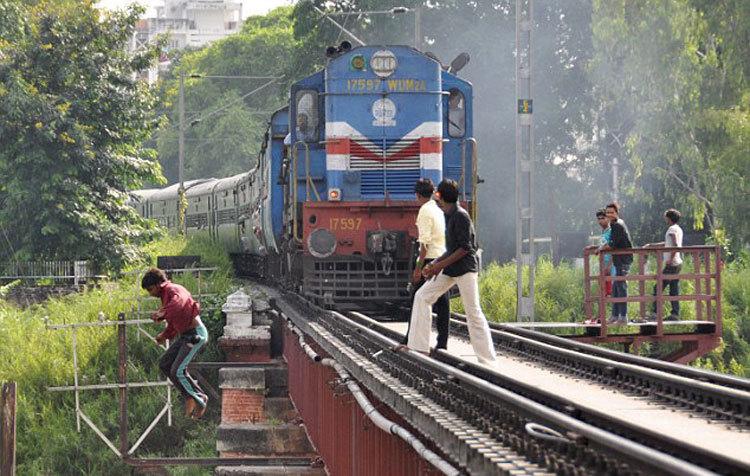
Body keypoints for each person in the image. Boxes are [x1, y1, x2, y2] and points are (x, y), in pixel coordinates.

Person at [404, 179, 496, 365]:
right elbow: (451, 248)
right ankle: (419, 346)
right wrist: (436, 263)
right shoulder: (448, 215)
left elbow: (464, 249)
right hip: (450, 269)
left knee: (473, 312)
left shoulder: (461, 216)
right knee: (422, 296)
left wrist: (437, 266)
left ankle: (487, 360)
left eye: (438, 195)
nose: (436, 198)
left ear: (444, 198)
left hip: (465, 270)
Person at [142, 268, 209, 419]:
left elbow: (179, 303)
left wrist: (163, 313)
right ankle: (190, 396)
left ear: (159, 284)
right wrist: (164, 336)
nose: (150, 294)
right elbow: (173, 324)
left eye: (151, 289)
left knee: (177, 370)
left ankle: (200, 397)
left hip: (196, 334)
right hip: (185, 335)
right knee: (165, 364)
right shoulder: (165, 298)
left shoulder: (174, 289)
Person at [402, 179, 450, 351]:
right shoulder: (438, 209)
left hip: (430, 261)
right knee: (443, 302)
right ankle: (442, 342)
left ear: (417, 195)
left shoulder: (424, 211)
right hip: (442, 257)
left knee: (417, 299)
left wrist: (418, 269)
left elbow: (424, 245)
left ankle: (410, 341)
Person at [596, 202, 633, 325]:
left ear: (617, 213)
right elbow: (611, 243)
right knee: (616, 287)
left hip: (623, 260)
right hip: (619, 259)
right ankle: (615, 315)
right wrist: (600, 247)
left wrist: (600, 249)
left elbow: (611, 245)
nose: (609, 214)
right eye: (608, 212)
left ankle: (623, 316)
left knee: (621, 287)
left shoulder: (617, 225)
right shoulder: (614, 224)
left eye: (612, 212)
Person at [644, 208, 684, 320]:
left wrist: (670, 258)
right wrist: (650, 245)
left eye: (666, 217)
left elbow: (675, 244)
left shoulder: (671, 229)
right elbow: (666, 244)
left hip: (672, 264)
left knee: (658, 287)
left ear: (669, 218)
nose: (664, 219)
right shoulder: (678, 229)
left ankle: (655, 314)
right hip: (677, 263)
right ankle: (675, 314)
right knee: (673, 289)